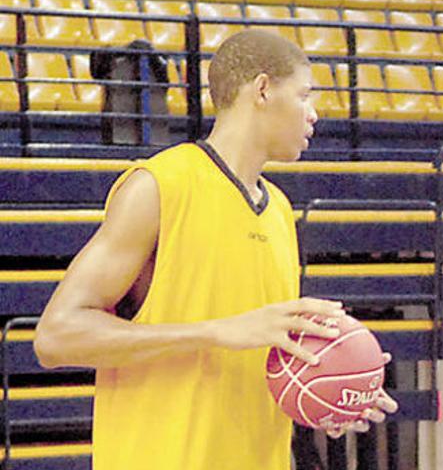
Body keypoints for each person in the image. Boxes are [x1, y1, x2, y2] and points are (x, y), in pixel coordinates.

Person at [34, 29, 397, 470]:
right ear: (262, 89)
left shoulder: (279, 210)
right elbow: (55, 337)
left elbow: (261, 349)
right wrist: (213, 331)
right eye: (304, 96)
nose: (314, 115)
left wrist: (325, 386)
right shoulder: (159, 187)